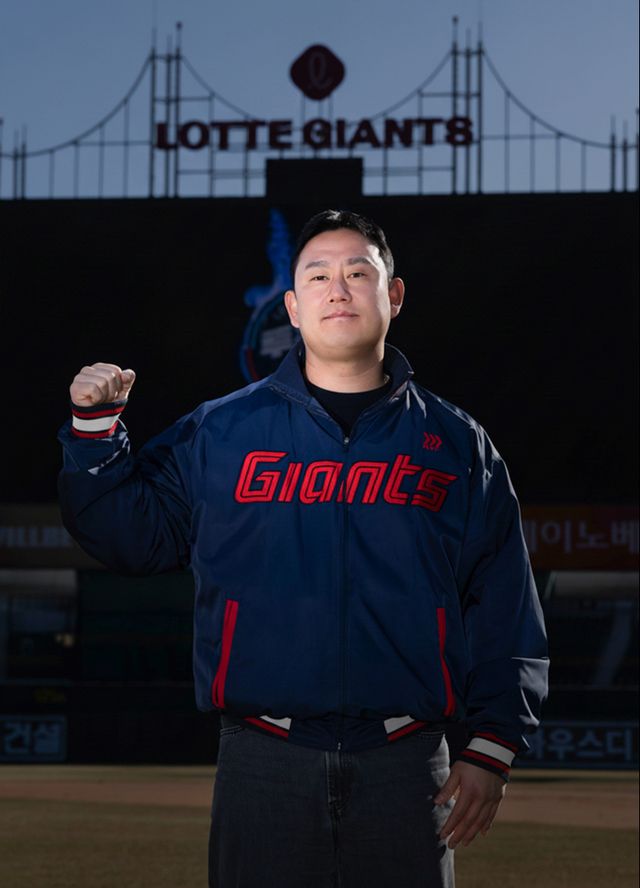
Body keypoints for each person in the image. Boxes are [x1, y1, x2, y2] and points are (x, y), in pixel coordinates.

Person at [58, 209, 548, 887]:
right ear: (291, 306)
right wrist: (94, 433)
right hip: (263, 760)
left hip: (409, 763)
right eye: (317, 275)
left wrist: (493, 743)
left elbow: (503, 600)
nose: (337, 289)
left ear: (393, 295)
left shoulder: (459, 443)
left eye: (357, 273)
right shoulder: (221, 432)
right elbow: (130, 538)